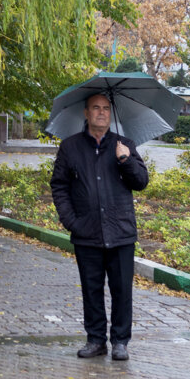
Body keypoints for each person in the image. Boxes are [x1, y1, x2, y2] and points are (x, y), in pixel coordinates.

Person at [50, 92, 149, 362]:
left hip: (120, 233)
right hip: (87, 233)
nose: (102, 112)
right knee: (91, 289)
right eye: (96, 108)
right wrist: (71, 221)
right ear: (86, 113)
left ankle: (120, 342)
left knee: (121, 290)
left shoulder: (125, 145)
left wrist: (125, 161)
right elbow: (59, 186)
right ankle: (96, 340)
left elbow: (141, 182)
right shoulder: (70, 147)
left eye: (106, 108)